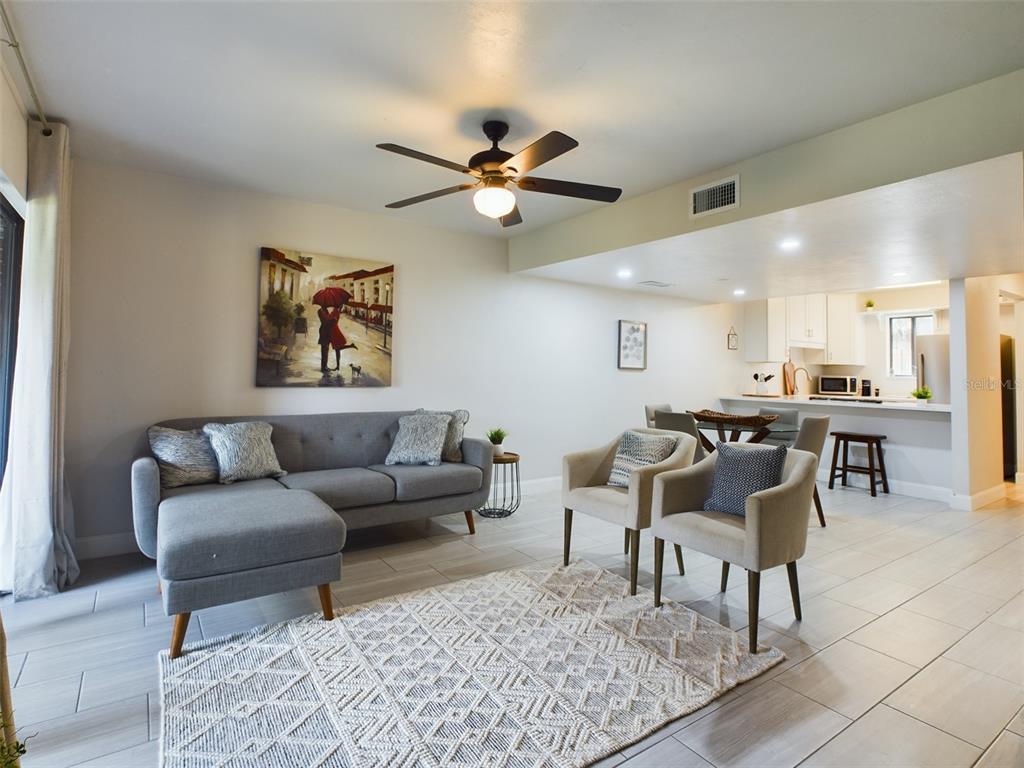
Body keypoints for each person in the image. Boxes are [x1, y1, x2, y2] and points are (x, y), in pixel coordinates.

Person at [317, 306, 357, 373]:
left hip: (331, 332)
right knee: (326, 350)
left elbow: (330, 319)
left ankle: (326, 366)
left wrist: (332, 320)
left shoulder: (330, 310)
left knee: (329, 350)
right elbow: (325, 320)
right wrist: (332, 320)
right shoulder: (320, 311)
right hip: (325, 333)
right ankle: (324, 367)